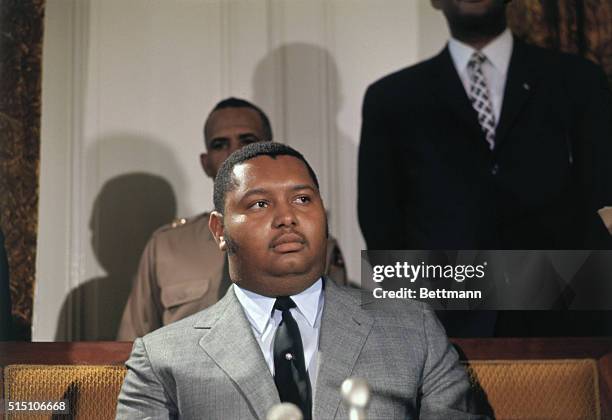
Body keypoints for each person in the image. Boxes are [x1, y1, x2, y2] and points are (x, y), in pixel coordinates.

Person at [116, 142, 484, 419]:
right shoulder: (161, 358)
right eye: (260, 204)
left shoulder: (413, 332)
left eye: (303, 199)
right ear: (220, 231)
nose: (287, 217)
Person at [358, 0, 612, 336]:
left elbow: (603, 203)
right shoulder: (391, 99)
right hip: (442, 332)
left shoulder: (578, 81)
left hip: (567, 328)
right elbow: (381, 228)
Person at [117, 98, 347, 341]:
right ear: (206, 163)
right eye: (220, 144)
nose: (235, 152)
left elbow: (343, 339)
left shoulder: (308, 243)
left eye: (248, 141)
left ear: (269, 149)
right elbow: (130, 348)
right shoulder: (166, 247)